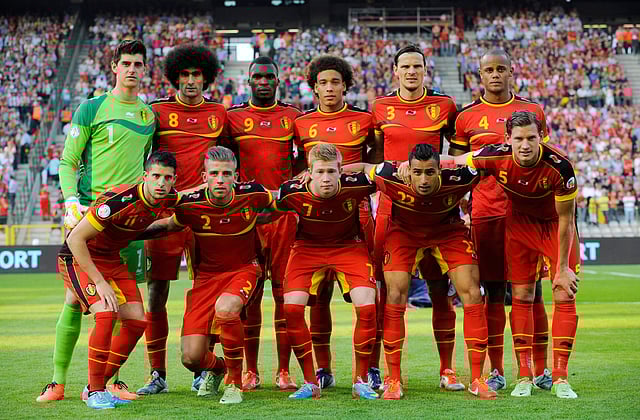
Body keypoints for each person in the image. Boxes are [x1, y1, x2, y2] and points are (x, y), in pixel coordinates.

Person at [37, 39, 155, 403]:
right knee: (76, 299)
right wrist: (71, 201)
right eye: (127, 63)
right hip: (89, 215)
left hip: (126, 222)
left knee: (122, 305)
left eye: (138, 63)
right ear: (114, 67)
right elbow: (68, 161)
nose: (132, 69)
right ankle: (57, 382)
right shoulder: (92, 108)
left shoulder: (149, 116)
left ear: (144, 69)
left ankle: (110, 380)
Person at [350, 143, 496, 400]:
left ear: (441, 169)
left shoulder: (462, 177)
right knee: (395, 296)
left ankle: (476, 378)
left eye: (430, 172)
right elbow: (363, 167)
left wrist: (457, 159)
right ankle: (393, 378)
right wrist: (314, 172)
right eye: (417, 172)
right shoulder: (390, 175)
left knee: (473, 293)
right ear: (409, 169)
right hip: (404, 233)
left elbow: (493, 160)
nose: (423, 179)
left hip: (448, 231)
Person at [454, 111, 580, 399]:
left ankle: (560, 377)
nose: (525, 145)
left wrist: (562, 267)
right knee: (521, 297)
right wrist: (407, 165)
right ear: (507, 139)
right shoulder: (494, 156)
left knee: (563, 292)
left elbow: (566, 219)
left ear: (541, 137)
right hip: (519, 227)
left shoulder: (560, 167)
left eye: (531, 138)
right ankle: (524, 376)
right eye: (519, 139)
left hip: (554, 228)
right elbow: (457, 161)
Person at [449, 48, 552, 392]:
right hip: (486, 213)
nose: (495, 75)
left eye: (501, 69)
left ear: (511, 72)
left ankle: (540, 369)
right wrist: (461, 208)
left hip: (525, 213)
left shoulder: (533, 111)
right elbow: (459, 168)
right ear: (479, 75)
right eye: (488, 70)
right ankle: (497, 370)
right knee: (493, 292)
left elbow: (544, 161)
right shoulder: (466, 118)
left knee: (532, 293)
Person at [139, 146, 275, 405]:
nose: (220, 180)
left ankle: (234, 382)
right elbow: (167, 226)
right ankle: (219, 368)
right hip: (205, 279)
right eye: (214, 174)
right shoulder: (191, 204)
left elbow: (281, 204)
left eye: (226, 173)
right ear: (204, 177)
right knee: (191, 358)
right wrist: (125, 233)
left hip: (242, 270)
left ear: (236, 176)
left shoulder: (253, 194)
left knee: (226, 309)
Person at [370, 44, 462, 392]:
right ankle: (385, 373)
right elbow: (377, 157)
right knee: (388, 294)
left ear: (426, 70)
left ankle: (447, 371)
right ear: (395, 71)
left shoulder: (444, 106)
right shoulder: (381, 107)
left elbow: (454, 156)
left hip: (436, 211)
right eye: (405, 66)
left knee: (442, 292)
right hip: (394, 211)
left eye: (417, 67)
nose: (411, 72)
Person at [137, 44, 227, 396]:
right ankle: (156, 374)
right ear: (175, 76)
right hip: (163, 214)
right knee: (156, 293)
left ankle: (203, 367)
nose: (191, 81)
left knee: (210, 293)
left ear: (206, 78)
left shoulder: (220, 113)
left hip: (204, 217)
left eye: (197, 75)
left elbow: (229, 160)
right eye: (185, 75)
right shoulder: (157, 112)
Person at [59, 151, 178, 409]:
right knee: (105, 313)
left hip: (112, 258)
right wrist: (100, 282)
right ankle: (96, 393)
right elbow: (75, 239)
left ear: (173, 180)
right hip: (77, 256)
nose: (160, 183)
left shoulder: (168, 198)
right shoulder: (118, 200)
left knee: (136, 321)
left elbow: (188, 200)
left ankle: (94, 386)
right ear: (144, 176)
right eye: (155, 176)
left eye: (166, 178)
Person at [292, 54, 380, 389]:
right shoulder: (302, 123)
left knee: (371, 292)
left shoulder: (365, 120)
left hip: (356, 213)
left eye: (335, 82)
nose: (330, 88)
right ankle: (323, 369)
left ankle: (370, 368)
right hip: (316, 214)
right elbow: (298, 170)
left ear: (345, 85)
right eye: (323, 83)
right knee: (319, 295)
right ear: (314, 88)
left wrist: (353, 176)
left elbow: (376, 162)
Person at [277, 143, 378, 400]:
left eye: (331, 171)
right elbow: (264, 207)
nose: (325, 178)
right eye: (320, 171)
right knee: (291, 308)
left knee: (367, 304)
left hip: (349, 247)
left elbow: (387, 172)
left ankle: (361, 380)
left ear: (341, 171)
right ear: (308, 172)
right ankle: (311, 382)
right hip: (306, 249)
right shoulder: (291, 192)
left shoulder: (357, 185)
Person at [226, 55, 301, 391]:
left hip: (284, 217)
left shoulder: (293, 117)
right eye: (258, 76)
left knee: (285, 295)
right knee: (250, 298)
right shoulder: (233, 118)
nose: (263, 81)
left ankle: (283, 370)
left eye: (269, 76)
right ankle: (250, 370)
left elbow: (305, 162)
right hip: (247, 220)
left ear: (278, 80)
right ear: (249, 80)